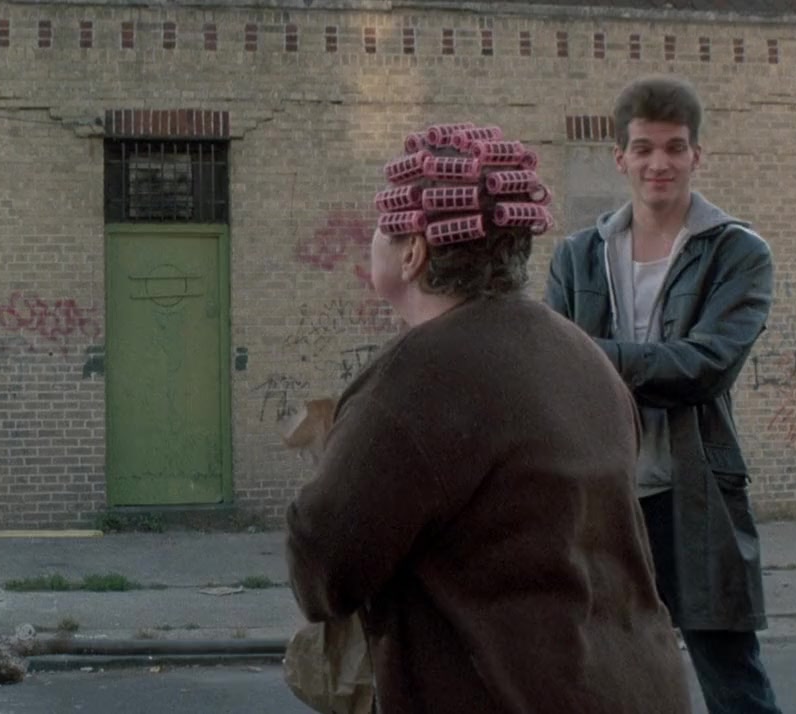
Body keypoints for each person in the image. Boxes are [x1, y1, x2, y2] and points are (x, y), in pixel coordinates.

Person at [285, 123, 690, 713]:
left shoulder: (417, 377)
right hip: (636, 687)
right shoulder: (583, 356)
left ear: (413, 252)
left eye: (380, 227)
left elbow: (324, 566)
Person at [545, 75, 779, 714]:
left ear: (697, 154)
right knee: (599, 678)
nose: (660, 164)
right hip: (601, 496)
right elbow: (553, 378)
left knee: (733, 682)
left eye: (675, 148)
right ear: (619, 156)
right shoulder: (578, 256)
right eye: (644, 148)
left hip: (694, 494)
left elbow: (707, 366)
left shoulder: (738, 252)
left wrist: (587, 355)